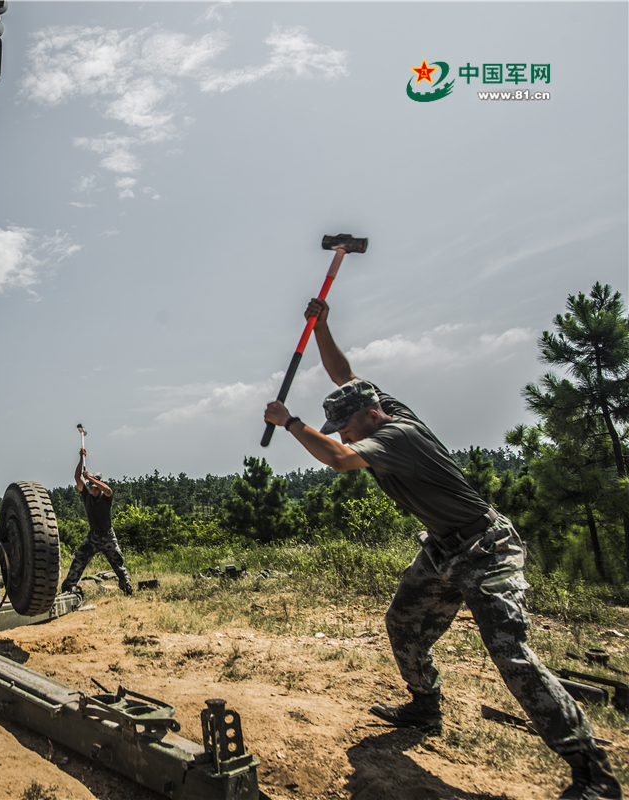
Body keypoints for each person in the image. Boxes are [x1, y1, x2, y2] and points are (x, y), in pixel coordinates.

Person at [263, 296, 622, 800]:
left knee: (510, 654)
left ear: (371, 416)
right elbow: (345, 376)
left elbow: (339, 460)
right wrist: (322, 326)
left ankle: (592, 772)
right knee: (404, 623)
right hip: (442, 549)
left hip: (486, 548)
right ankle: (425, 706)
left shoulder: (397, 436)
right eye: (338, 428)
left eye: (345, 426)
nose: (342, 434)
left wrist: (290, 422)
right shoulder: (379, 407)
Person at [59, 447, 133, 597]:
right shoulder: (86, 495)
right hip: (93, 536)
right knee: (79, 559)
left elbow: (108, 489)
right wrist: (81, 459)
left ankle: (126, 586)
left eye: (95, 488)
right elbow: (76, 477)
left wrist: (90, 479)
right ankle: (68, 587)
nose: (93, 490)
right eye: (91, 488)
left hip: (108, 536)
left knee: (118, 563)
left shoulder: (105, 497)